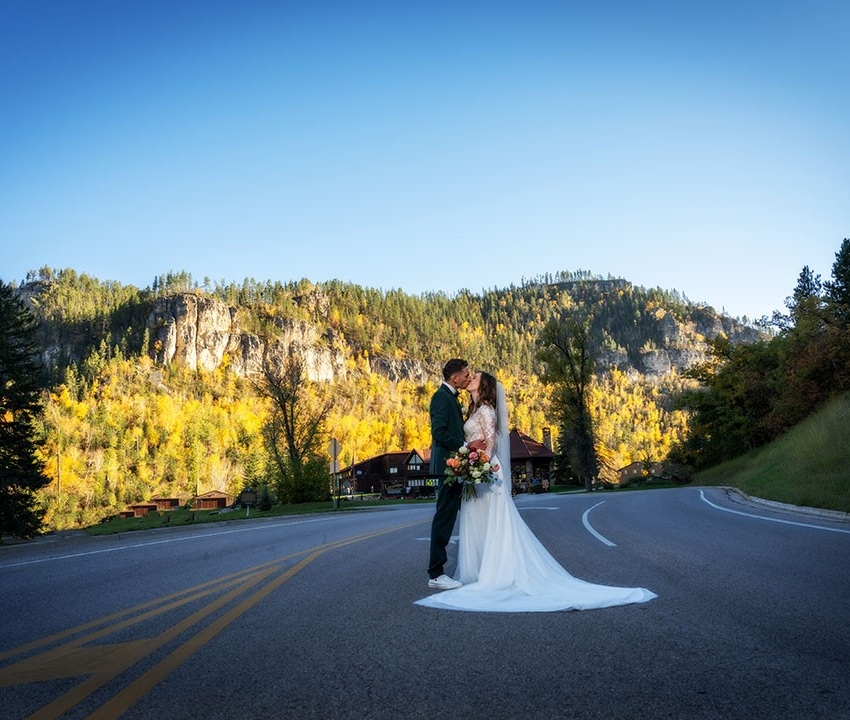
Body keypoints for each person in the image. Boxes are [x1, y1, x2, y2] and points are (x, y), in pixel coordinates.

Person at [416, 371, 657, 612]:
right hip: (475, 474)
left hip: (486, 473)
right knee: (478, 523)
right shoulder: (472, 408)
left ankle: (498, 573)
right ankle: (480, 571)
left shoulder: (487, 410)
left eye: (475, 376)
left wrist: (477, 465)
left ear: (485, 385)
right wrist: (470, 462)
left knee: (495, 525)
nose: (470, 378)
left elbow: (490, 446)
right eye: (468, 375)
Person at [426, 358, 483, 590]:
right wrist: (465, 445)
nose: (468, 377)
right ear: (455, 377)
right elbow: (439, 433)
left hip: (456, 467)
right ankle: (436, 573)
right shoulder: (440, 397)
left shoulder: (451, 397)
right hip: (445, 467)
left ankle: (479, 563)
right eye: (466, 374)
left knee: (468, 515)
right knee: (444, 518)